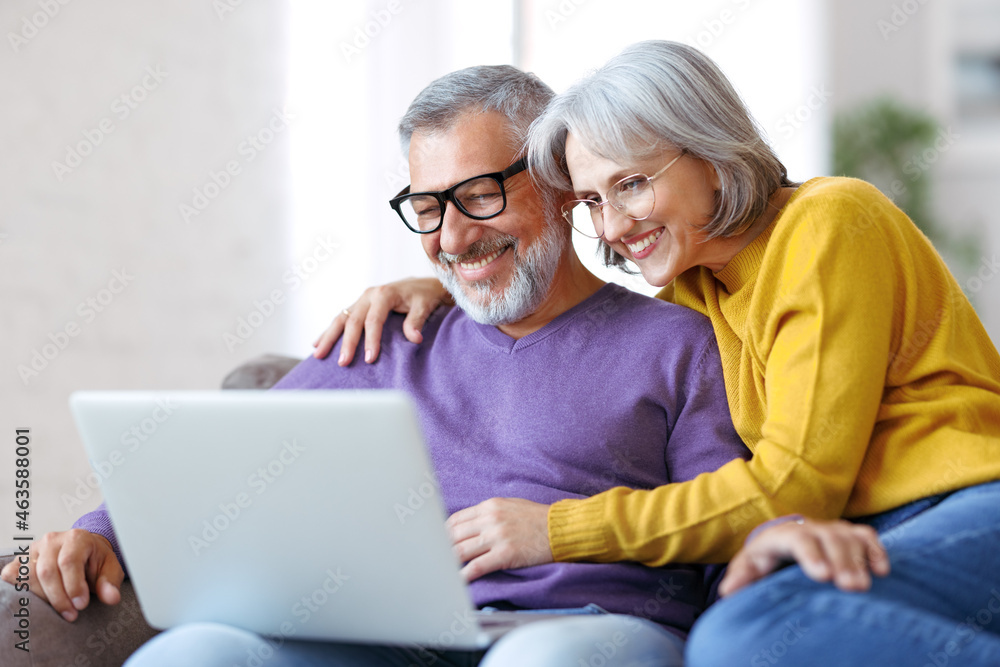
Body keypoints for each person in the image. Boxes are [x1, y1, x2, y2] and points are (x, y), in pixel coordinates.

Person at [4, 64, 763, 667]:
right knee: (196, 654)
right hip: (384, 640)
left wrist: (570, 535)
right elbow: (217, 460)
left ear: (558, 182)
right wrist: (99, 529)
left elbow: (729, 523)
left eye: (477, 194)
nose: (452, 236)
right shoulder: (390, 336)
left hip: (590, 627)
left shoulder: (679, 342)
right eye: (426, 207)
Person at [314, 41, 1000, 665]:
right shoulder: (695, 289)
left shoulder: (827, 221)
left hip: (964, 501)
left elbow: (797, 484)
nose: (613, 225)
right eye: (591, 200)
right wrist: (447, 284)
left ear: (710, 152)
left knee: (745, 635)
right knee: (747, 633)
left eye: (632, 184)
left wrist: (555, 530)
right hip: (846, 536)